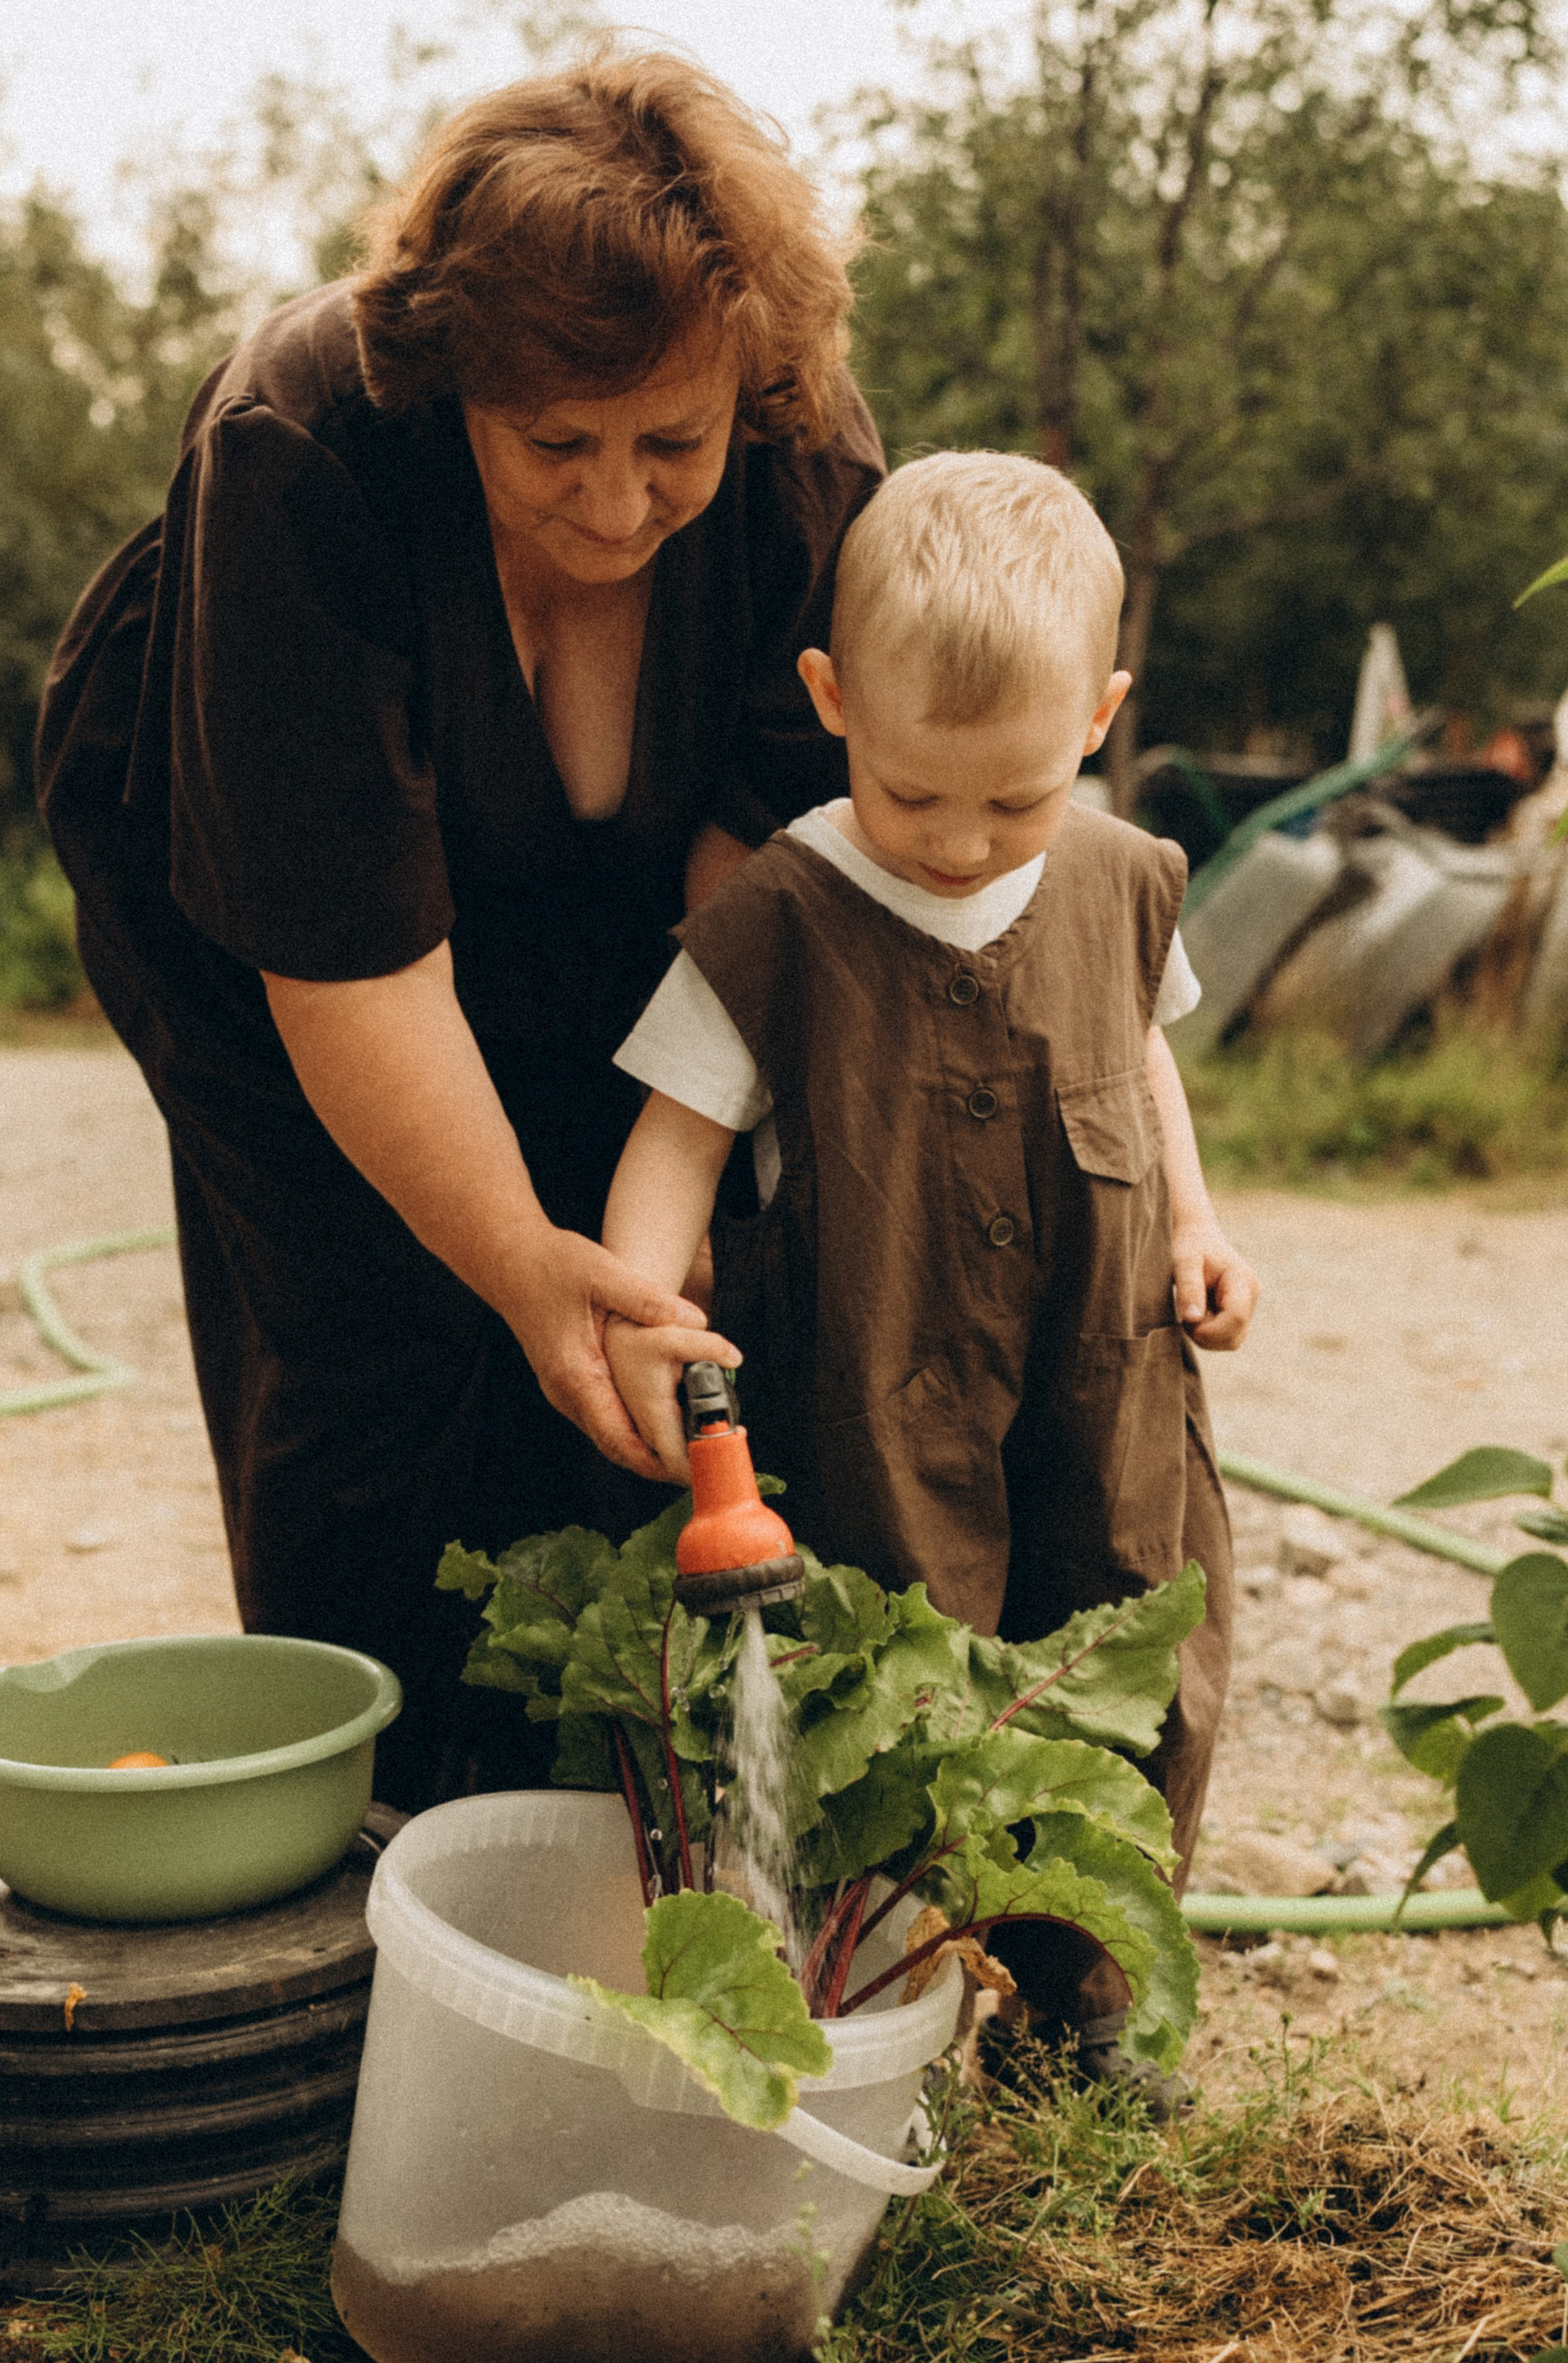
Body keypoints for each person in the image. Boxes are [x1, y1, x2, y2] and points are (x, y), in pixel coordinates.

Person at [36, 52, 883, 1812]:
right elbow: (353, 967)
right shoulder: (301, 448)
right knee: (383, 1312)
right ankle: (377, 1835)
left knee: (635, 1268)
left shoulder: (807, 465)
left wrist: (651, 1200)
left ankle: (597, 1805)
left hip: (618, 898)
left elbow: (734, 905)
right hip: (263, 910)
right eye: (552, 443)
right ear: (454, 386)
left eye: (673, 444)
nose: (615, 501)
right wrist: (510, 1259)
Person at [601, 453, 1259, 2088]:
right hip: (868, 1395)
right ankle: (872, 2016)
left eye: (1013, 800)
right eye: (914, 797)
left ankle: (1078, 2006)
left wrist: (1192, 1216)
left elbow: (1147, 1058)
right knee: (882, 1684)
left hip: (1101, 1373)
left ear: (1098, 715)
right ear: (831, 701)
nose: (962, 840)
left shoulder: (1119, 879)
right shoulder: (775, 917)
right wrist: (636, 1307)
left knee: (1125, 1661)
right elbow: (675, 1138)